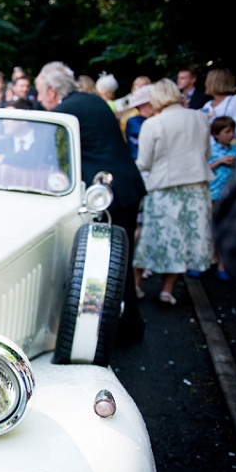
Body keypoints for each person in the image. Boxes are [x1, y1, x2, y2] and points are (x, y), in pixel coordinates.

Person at [36, 61, 147, 344]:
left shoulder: (65, 111)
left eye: (39, 92)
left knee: (106, 263)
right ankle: (129, 325)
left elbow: (48, 156)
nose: (38, 99)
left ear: (51, 90)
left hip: (108, 192)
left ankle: (120, 330)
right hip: (125, 186)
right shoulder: (91, 101)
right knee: (121, 261)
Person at [132, 79, 214, 304]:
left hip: (164, 188)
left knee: (152, 238)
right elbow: (206, 154)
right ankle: (167, 290)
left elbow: (145, 162)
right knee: (184, 241)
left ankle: (137, 285)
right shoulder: (200, 118)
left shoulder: (153, 124)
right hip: (196, 187)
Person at [207, 117, 236, 281]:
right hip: (212, 194)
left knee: (224, 229)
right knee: (209, 228)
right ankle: (209, 260)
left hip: (228, 195)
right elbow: (204, 168)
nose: (231, 135)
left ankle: (221, 264)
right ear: (215, 133)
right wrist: (219, 161)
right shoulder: (210, 150)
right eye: (227, 132)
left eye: (232, 131)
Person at [201, 68, 236, 143]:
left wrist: (213, 121)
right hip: (208, 151)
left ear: (215, 83)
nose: (205, 83)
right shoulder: (208, 104)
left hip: (226, 152)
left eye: (208, 80)